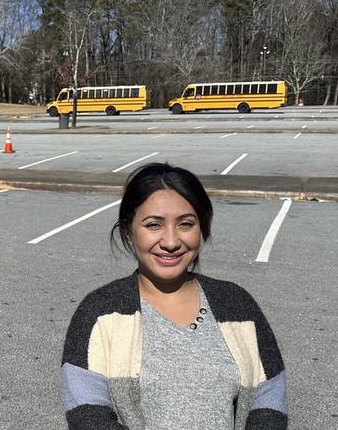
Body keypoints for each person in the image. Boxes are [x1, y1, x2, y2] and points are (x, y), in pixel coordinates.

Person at [60, 162, 287, 430]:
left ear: (201, 228)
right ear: (128, 233)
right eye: (153, 225)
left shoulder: (237, 305)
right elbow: (87, 414)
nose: (170, 241)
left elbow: (270, 396)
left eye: (185, 224)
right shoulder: (99, 312)